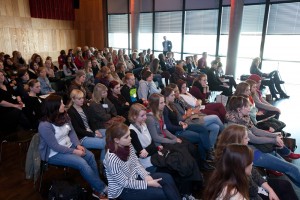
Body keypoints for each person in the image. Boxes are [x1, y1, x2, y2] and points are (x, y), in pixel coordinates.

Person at [38, 94, 108, 199]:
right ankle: (102, 188)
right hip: (54, 153)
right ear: (54, 107)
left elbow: (72, 133)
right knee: (82, 163)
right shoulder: (44, 125)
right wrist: (74, 151)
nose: (63, 105)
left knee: (90, 156)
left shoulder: (64, 116)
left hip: (69, 146)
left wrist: (78, 145)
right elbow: (55, 146)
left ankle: (96, 187)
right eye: (61, 103)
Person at [128, 103, 202, 199]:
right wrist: (152, 148)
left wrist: (151, 148)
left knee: (182, 157)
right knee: (178, 161)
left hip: (155, 154)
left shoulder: (143, 125)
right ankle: (185, 193)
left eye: (145, 114)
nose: (145, 117)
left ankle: (187, 192)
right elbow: (141, 154)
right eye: (142, 116)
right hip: (147, 161)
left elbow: (151, 145)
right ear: (134, 117)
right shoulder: (131, 131)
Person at [226, 96, 300, 186]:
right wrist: (274, 140)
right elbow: (254, 139)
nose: (250, 107)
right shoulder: (234, 124)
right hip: (250, 154)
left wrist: (275, 136)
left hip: (254, 149)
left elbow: (256, 131)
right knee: (292, 169)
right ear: (239, 109)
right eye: (247, 106)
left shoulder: (244, 117)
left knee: (290, 169)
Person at [214, 124, 298, 200]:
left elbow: (254, 174)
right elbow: (251, 191)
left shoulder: (238, 154)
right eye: (246, 138)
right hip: (253, 192)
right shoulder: (234, 162)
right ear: (237, 140)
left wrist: (270, 190)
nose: (249, 139)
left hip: (255, 187)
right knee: (290, 171)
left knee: (285, 184)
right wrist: (266, 191)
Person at [103, 123, 181, 200]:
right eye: (126, 137)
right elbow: (124, 182)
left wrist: (146, 176)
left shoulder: (128, 145)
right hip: (123, 189)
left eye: (129, 135)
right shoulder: (111, 159)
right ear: (116, 140)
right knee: (163, 194)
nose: (130, 138)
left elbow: (136, 163)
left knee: (167, 177)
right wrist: (148, 183)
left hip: (135, 178)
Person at [67, 89, 106, 162]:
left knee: (110, 133)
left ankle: (104, 161)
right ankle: (103, 164)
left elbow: (92, 121)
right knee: (105, 143)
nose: (82, 100)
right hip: (82, 137)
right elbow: (77, 130)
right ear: (73, 99)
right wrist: (93, 134)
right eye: (79, 99)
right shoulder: (71, 112)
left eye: (82, 98)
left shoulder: (84, 107)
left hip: (91, 131)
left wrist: (96, 130)